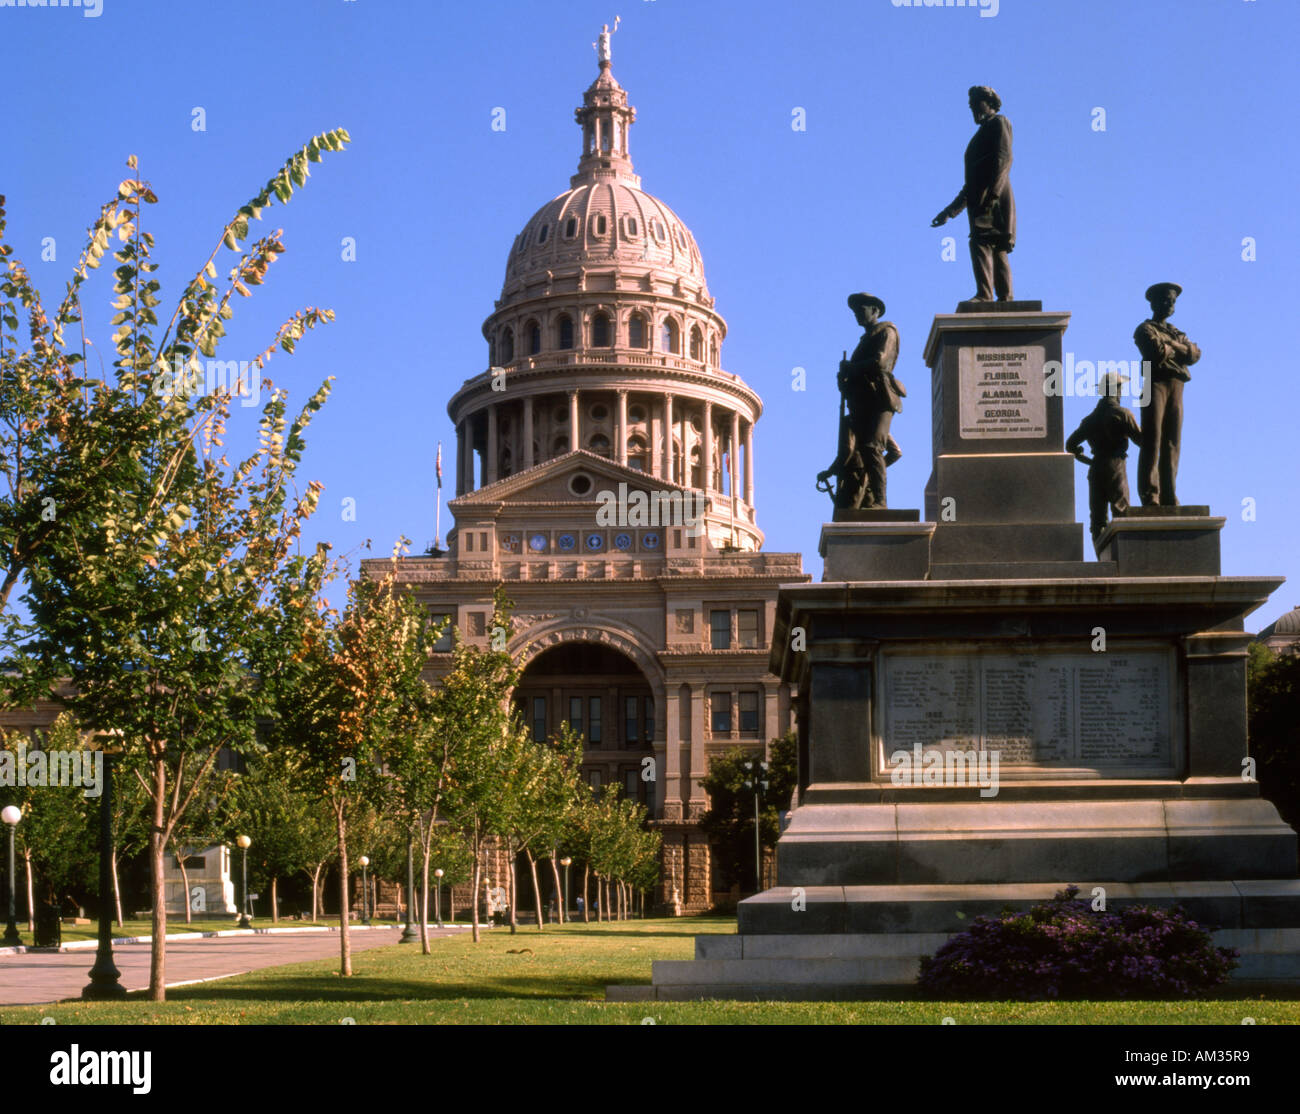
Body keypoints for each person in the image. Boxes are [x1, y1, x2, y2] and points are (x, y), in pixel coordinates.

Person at [816, 292, 905, 509]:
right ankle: (874, 494)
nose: (857, 315)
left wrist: (852, 368)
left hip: (880, 399)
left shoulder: (887, 331)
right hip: (863, 403)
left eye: (860, 310)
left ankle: (880, 502)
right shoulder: (864, 340)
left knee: (872, 447)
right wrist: (844, 380)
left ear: (874, 310)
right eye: (855, 311)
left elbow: (880, 362)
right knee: (867, 449)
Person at [931, 86, 1016, 303]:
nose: (972, 109)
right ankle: (1003, 297)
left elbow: (1004, 159)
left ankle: (986, 294)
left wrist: (993, 194)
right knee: (991, 246)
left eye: (975, 104)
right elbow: (970, 185)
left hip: (993, 197)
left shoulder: (999, 122)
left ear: (988, 103)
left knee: (985, 242)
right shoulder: (980, 133)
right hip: (982, 199)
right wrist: (949, 212)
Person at [1133, 282, 1200, 506]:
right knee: (1152, 439)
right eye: (1167, 300)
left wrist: (1172, 344)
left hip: (1177, 386)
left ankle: (1169, 494)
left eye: (1173, 301)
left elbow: (1194, 354)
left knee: (1173, 441)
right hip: (1154, 383)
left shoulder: (1176, 332)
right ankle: (1150, 495)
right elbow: (1156, 353)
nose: (1171, 304)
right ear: (1155, 302)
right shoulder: (1145, 329)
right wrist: (1177, 348)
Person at [1066, 372, 1142, 550]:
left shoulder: (1090, 420)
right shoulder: (1122, 414)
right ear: (1116, 390)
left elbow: (1070, 445)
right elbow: (1142, 441)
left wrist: (1088, 460)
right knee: (1121, 513)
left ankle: (1103, 558)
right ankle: (1124, 556)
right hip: (1116, 466)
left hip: (1096, 468)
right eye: (1121, 388)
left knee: (1098, 520)